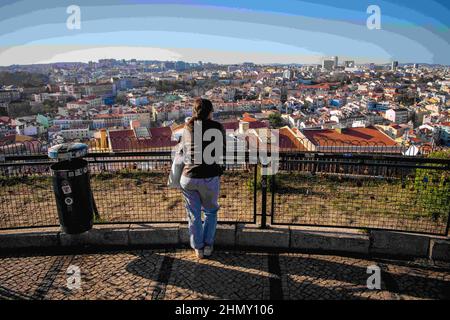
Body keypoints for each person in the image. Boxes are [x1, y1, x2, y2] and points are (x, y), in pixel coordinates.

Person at [180, 98, 226, 259]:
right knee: (211, 212)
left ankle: (198, 247)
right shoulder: (217, 127)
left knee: (193, 214)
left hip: (189, 177)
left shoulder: (189, 126)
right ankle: (208, 245)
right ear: (210, 112)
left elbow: (184, 148)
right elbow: (222, 150)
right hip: (209, 176)